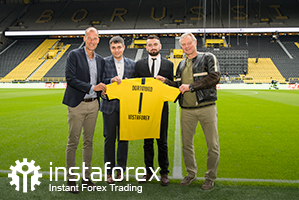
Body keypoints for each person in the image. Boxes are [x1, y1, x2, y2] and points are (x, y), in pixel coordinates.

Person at [62, 27, 106, 193]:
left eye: (95, 38)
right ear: (84, 38)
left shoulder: (100, 60)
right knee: (73, 141)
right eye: (89, 38)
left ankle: (86, 177)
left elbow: (101, 81)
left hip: (94, 104)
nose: (92, 41)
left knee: (88, 142)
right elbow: (70, 78)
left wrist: (108, 83)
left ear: (98, 40)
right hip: (77, 105)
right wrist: (92, 87)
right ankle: (71, 179)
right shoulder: (74, 54)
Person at [175, 32, 220, 190]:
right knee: (186, 145)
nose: (186, 47)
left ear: (195, 43)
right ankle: (191, 173)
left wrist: (191, 87)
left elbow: (215, 77)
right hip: (186, 109)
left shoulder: (208, 57)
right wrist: (164, 81)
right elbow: (178, 87)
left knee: (212, 145)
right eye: (183, 44)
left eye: (189, 43)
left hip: (206, 106)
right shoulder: (180, 65)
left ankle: (210, 177)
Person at [134, 35, 174, 186]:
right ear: (146, 47)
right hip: (145, 107)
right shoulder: (139, 65)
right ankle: (149, 172)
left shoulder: (169, 64)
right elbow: (134, 85)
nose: (153, 47)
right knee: (147, 141)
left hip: (162, 107)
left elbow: (171, 84)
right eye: (150, 45)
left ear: (160, 46)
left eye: (155, 44)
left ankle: (164, 172)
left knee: (162, 141)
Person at [100, 36, 135, 184]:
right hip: (109, 106)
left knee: (123, 139)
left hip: (126, 107)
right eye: (114, 48)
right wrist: (110, 82)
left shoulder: (132, 64)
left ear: (124, 47)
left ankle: (120, 170)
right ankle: (109, 172)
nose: (116, 50)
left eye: (119, 47)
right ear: (110, 48)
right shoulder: (103, 63)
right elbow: (98, 81)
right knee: (109, 139)